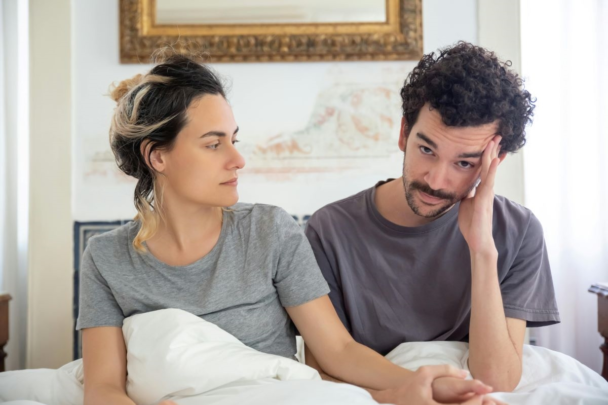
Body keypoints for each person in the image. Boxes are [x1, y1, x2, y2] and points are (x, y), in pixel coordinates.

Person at [77, 51, 497, 405]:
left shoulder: (270, 231)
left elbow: (339, 351)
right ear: (157, 157)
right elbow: (103, 389)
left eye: (233, 140)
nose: (237, 160)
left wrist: (418, 384)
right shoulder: (107, 258)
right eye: (213, 143)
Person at [304, 42, 560, 393]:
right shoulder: (329, 230)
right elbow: (324, 372)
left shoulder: (519, 231)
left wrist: (482, 249)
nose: (437, 181)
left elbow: (497, 381)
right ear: (403, 133)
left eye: (464, 163)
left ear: (493, 161)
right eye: (427, 150)